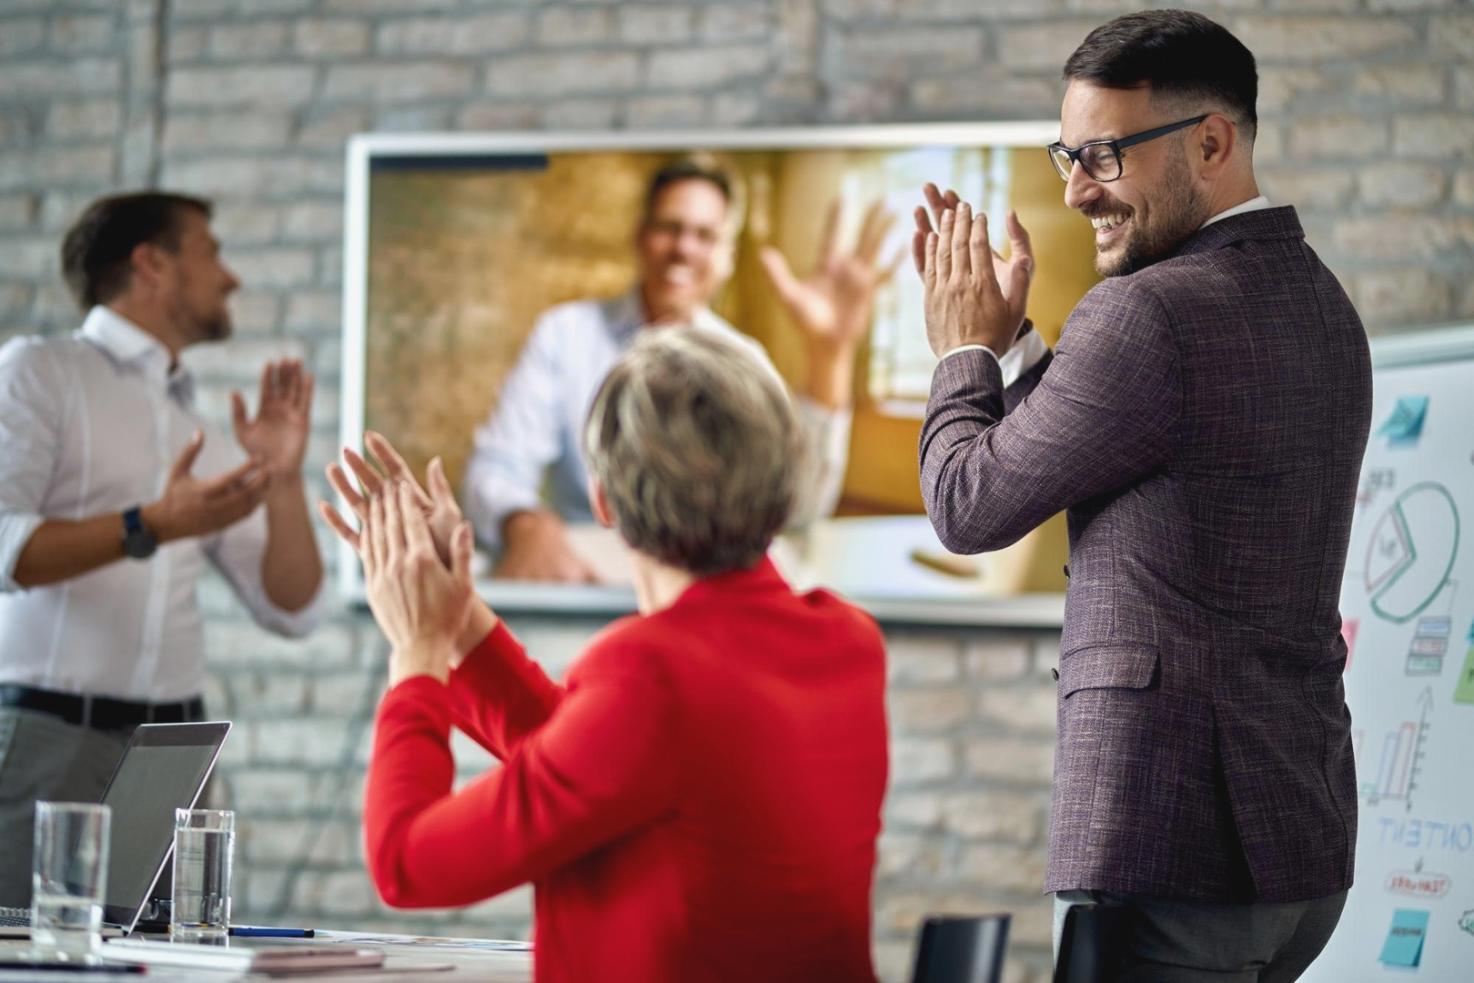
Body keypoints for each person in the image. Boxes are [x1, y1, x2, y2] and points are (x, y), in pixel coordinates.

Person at [912, 10, 1369, 980]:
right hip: (1298, 852)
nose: (1076, 189)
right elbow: (1133, 436)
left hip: (1170, 852)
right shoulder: (1323, 304)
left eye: (1105, 155)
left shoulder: (1147, 311)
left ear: (1211, 142)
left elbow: (966, 503)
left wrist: (961, 351)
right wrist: (1016, 348)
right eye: (1068, 155)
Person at [322, 328, 888, 982]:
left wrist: (417, 651)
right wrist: (458, 618)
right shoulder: (849, 641)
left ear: (602, 500)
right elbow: (595, 767)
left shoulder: (651, 673)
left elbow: (405, 862)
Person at [0, 191, 323, 906]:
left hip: (176, 756)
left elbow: (291, 606)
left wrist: (285, 477)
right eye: (211, 253)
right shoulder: (40, 371)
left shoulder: (190, 422)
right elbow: (4, 544)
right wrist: (150, 524)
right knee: (26, 954)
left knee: (173, 958)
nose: (230, 277)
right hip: (52, 741)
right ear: (151, 263)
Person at [462, 157, 900, 582]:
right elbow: (496, 469)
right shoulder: (565, 333)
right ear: (641, 237)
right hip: (587, 576)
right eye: (669, 228)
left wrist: (830, 353)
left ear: (728, 256)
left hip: (705, 593)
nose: (684, 248)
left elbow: (798, 510)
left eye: (705, 235)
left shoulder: (744, 358)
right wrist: (523, 524)